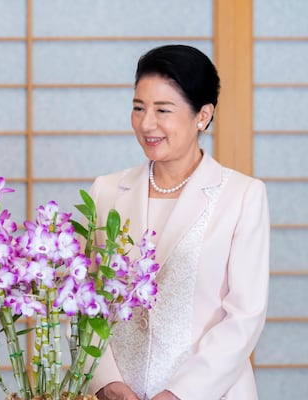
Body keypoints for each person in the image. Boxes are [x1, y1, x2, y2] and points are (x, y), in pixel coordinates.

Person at [87, 45, 270, 400]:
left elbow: (245, 315)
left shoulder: (242, 195)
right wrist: (107, 381)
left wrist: (179, 393)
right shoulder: (106, 191)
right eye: (138, 108)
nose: (146, 124)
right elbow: (84, 300)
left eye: (163, 110)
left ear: (202, 115)